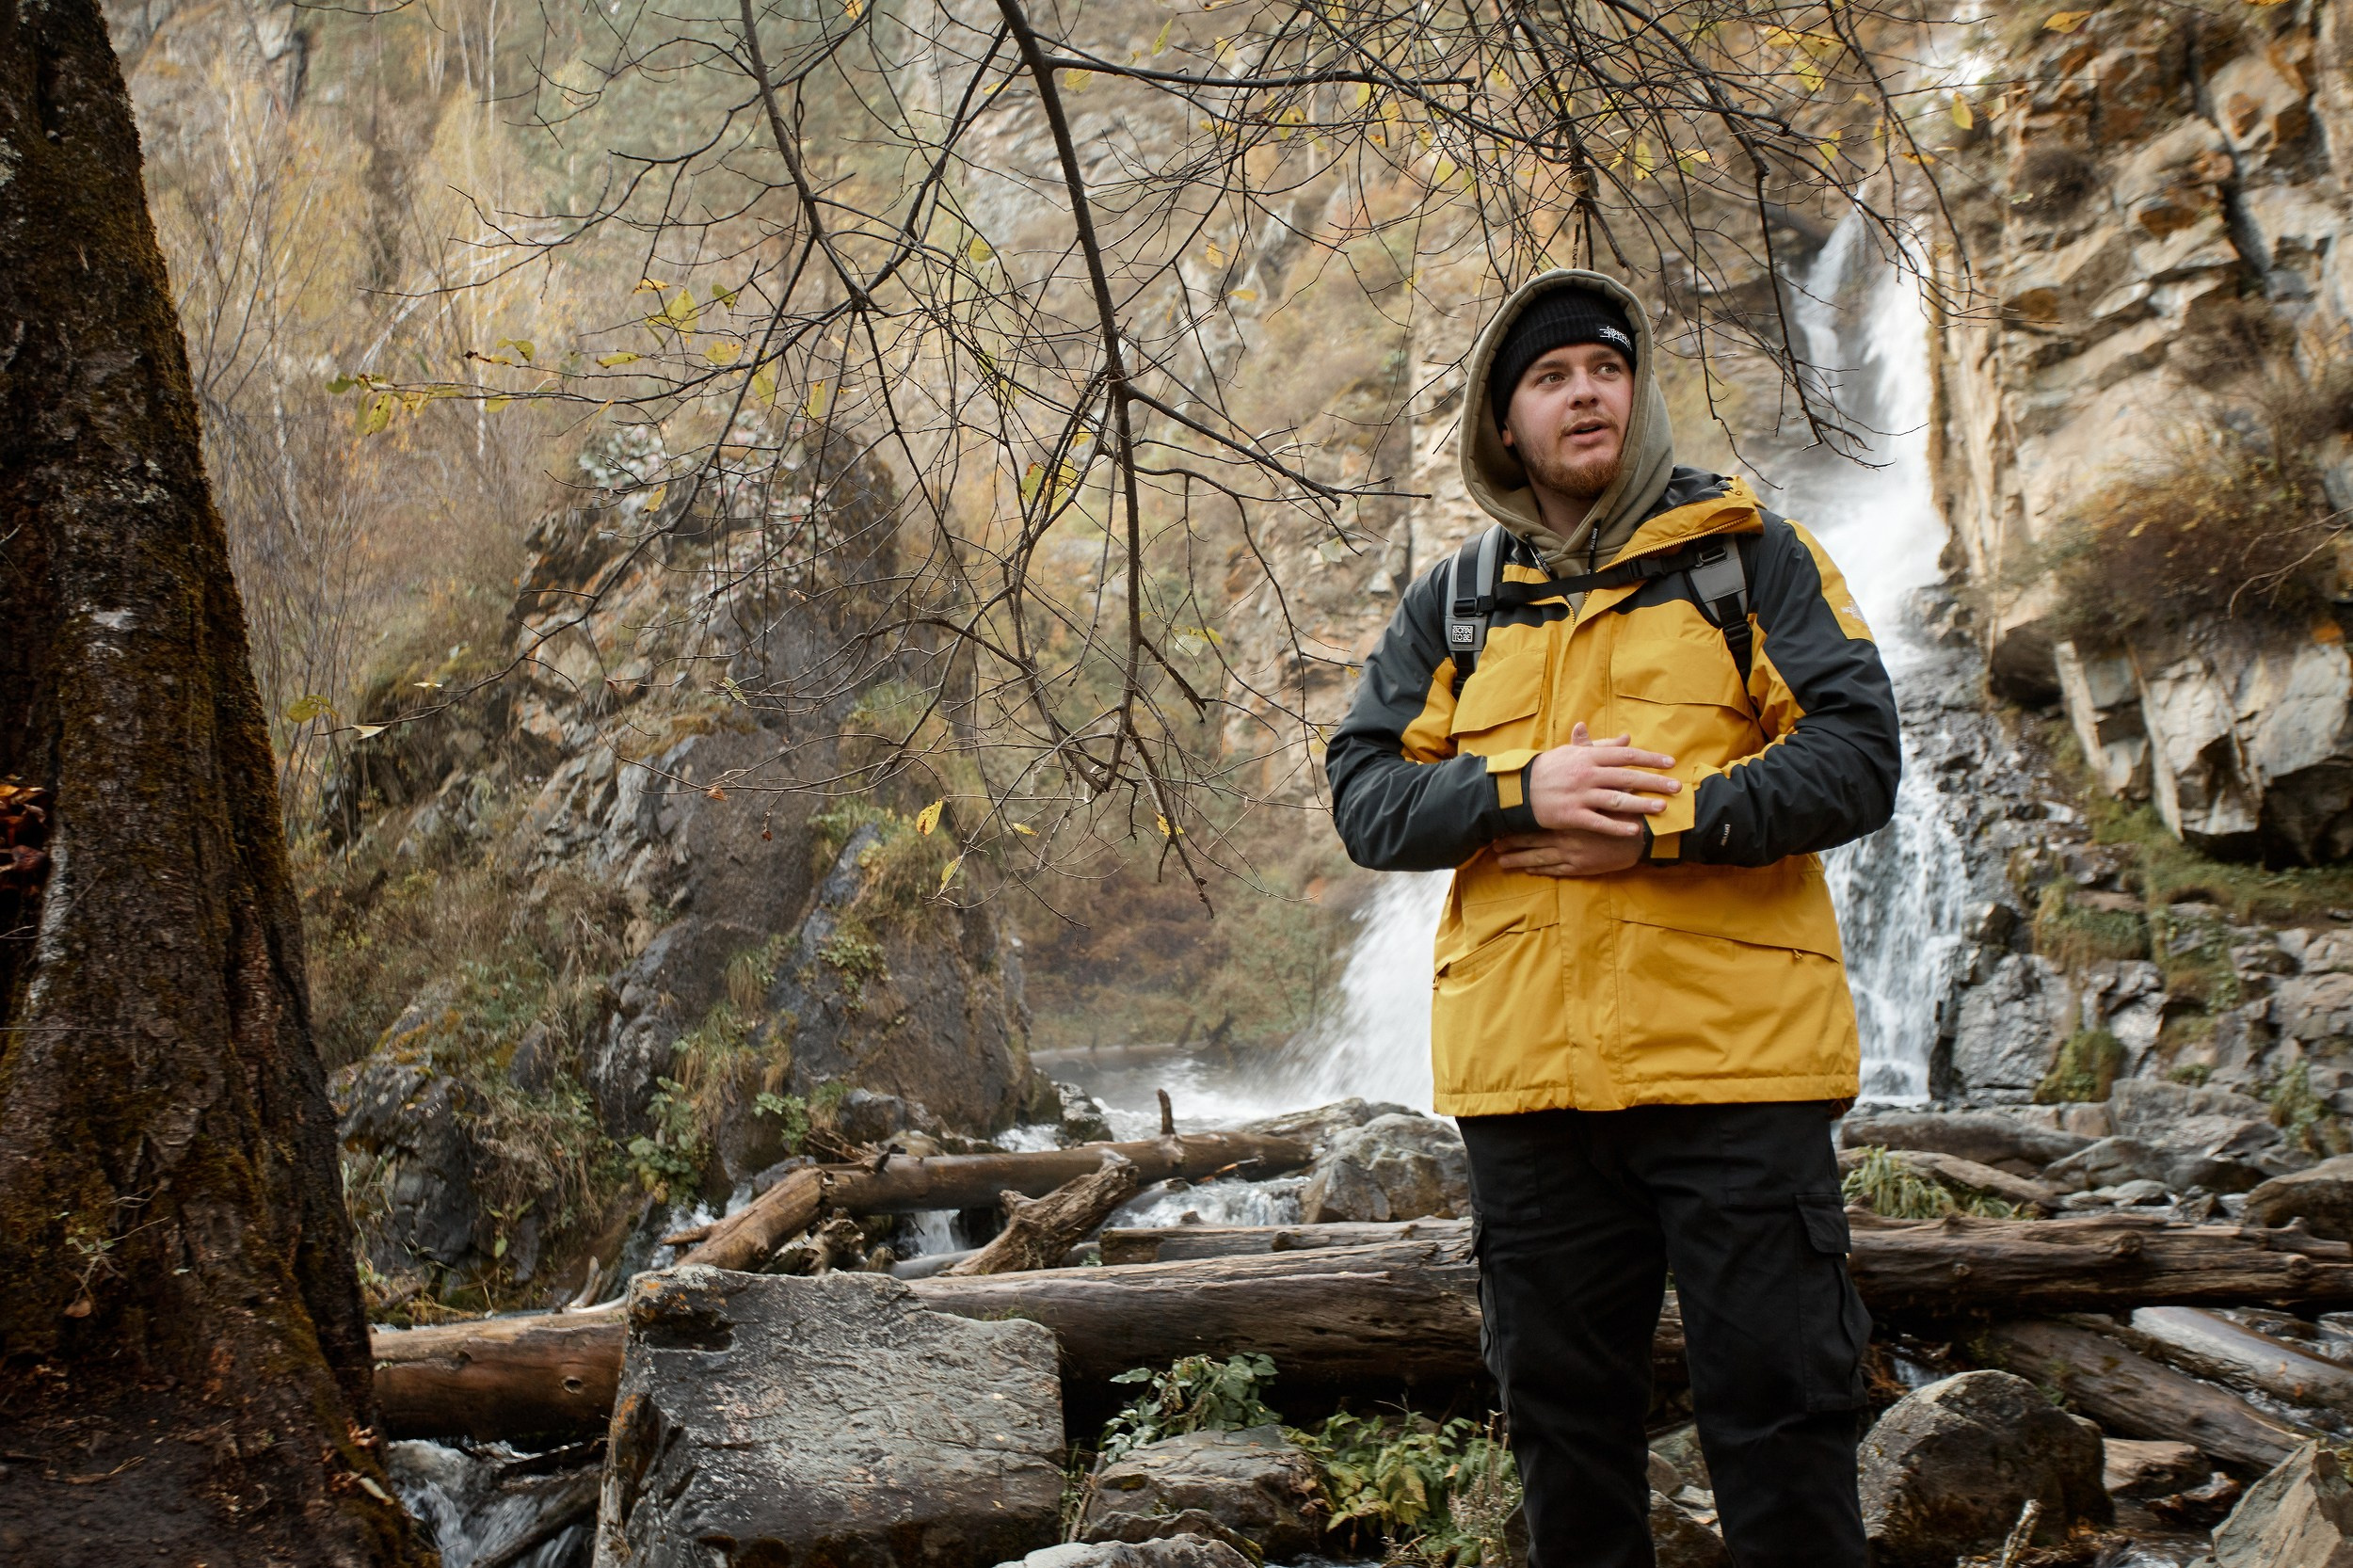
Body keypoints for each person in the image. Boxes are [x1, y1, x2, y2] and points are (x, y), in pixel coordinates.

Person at [1324, 270, 1902, 1568]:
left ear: (1637, 394)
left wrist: (1661, 823)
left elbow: (1861, 756)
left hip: (1739, 1074)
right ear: (1505, 422)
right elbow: (1364, 796)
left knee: (1786, 1428)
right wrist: (1517, 790)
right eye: (1550, 377)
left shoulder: (1750, 558)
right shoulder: (1455, 604)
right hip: (1530, 1092)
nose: (1584, 392)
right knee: (1565, 1442)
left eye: (1605, 367)